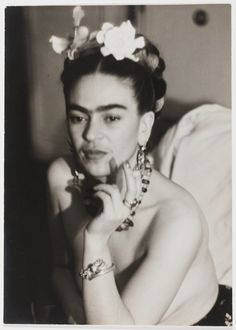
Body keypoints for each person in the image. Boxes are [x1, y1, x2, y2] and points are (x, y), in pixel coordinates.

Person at [47, 6, 232, 325]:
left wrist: (96, 240)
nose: (90, 134)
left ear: (145, 127)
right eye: (79, 117)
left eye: (112, 117)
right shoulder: (62, 177)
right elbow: (59, 268)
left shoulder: (177, 219)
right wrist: (79, 314)